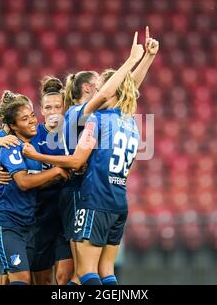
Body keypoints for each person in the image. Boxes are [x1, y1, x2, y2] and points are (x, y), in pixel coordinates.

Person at [22, 30, 159, 285]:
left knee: (81, 273)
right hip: (83, 193)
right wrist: (134, 60)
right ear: (89, 89)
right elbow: (116, 93)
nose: (112, 86)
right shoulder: (79, 113)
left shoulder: (102, 117)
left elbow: (125, 91)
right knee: (83, 273)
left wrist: (146, 59)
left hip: (89, 195)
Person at [0, 100, 69, 285]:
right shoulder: (9, 144)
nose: (32, 120)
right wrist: (56, 170)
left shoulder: (32, 147)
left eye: (31, 115)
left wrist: (59, 176)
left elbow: (33, 184)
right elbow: (23, 182)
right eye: (24, 118)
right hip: (5, 221)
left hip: (27, 222)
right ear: (13, 126)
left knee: (22, 279)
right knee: (19, 279)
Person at [30, 76, 73, 285]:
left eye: (58, 106)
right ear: (41, 110)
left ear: (64, 108)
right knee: (43, 280)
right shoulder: (33, 134)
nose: (53, 111)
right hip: (40, 215)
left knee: (64, 277)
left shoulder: (73, 134)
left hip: (66, 215)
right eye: (48, 107)